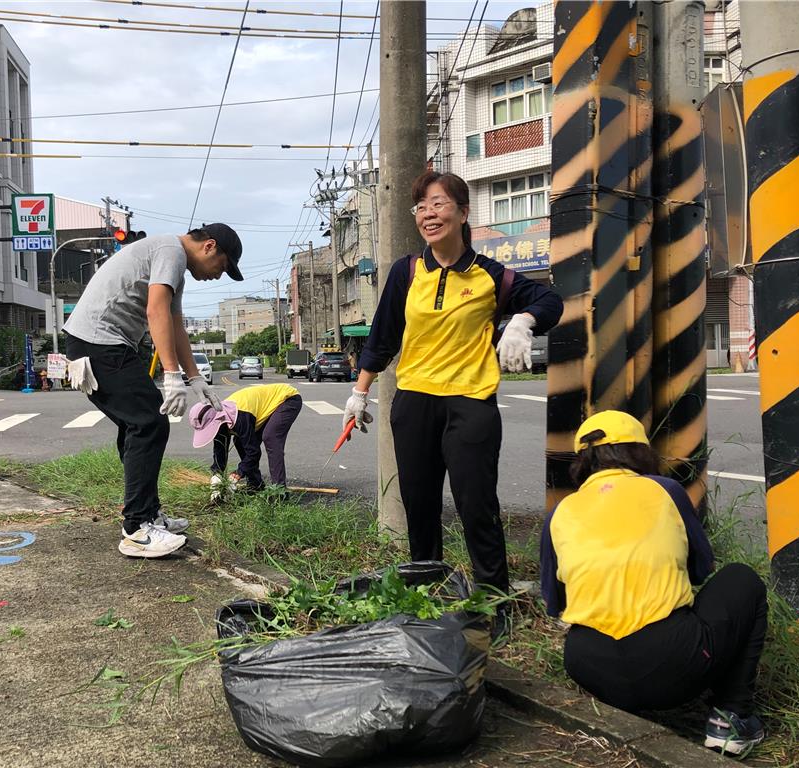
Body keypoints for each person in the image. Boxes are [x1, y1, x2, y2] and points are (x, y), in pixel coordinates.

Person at [342, 171, 563, 641]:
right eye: (421, 207)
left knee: (476, 504)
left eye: (439, 204)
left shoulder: (491, 275)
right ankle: (427, 596)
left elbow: (549, 299)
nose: (428, 214)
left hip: (470, 402)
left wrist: (523, 320)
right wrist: (359, 392)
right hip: (415, 402)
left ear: (463, 213)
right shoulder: (407, 272)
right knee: (419, 506)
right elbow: (382, 337)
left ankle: (493, 603)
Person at [539, 410, 768, 757]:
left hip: (589, 663)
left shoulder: (561, 511)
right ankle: (730, 718)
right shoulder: (666, 490)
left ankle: (626, 703)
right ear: (640, 452)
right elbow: (701, 569)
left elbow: (555, 603)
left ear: (582, 461)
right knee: (742, 580)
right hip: (672, 659)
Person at [64, 224, 244, 558]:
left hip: (102, 344)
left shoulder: (170, 259)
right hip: (100, 343)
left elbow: (175, 325)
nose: (218, 276)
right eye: (222, 267)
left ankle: (146, 514)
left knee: (138, 424)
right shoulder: (170, 252)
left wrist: (195, 378)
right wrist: (171, 376)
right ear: (209, 246)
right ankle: (136, 530)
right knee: (149, 423)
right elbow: (156, 311)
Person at [188, 383, 302, 498]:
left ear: (215, 421)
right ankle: (255, 485)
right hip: (260, 408)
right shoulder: (220, 421)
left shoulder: (239, 417)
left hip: (287, 399)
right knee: (240, 441)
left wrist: (237, 474)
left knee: (270, 437)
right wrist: (217, 475)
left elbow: (254, 452)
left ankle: (279, 491)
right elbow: (220, 449)